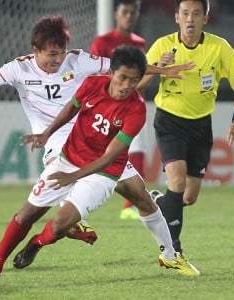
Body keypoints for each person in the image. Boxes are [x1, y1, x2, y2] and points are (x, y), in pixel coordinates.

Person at [0, 16, 193, 247]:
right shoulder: (18, 68)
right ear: (35, 50)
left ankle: (169, 252)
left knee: (138, 193)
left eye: (62, 52)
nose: (58, 59)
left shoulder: (78, 60)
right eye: (52, 54)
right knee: (60, 175)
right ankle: (68, 219)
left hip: (89, 134)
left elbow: (121, 68)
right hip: (56, 138)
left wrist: (161, 71)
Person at [0, 45, 198, 283]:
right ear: (111, 73)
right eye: (122, 78)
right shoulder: (92, 84)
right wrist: (47, 133)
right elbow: (71, 107)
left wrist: (73, 178)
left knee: (61, 225)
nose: (126, 86)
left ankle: (37, 242)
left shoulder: (136, 110)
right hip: (68, 159)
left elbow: (110, 157)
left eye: (134, 81)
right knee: (26, 214)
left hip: (103, 173)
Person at [138, 0, 234, 255]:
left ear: (205, 19)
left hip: (201, 126)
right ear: (177, 17)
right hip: (169, 121)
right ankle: (172, 250)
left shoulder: (218, 47)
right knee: (176, 181)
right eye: (185, 14)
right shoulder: (163, 46)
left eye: (196, 14)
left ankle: (157, 202)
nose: (190, 19)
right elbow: (138, 84)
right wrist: (159, 68)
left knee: (187, 197)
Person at [90, 0, 148, 221]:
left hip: (133, 106)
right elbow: (95, 75)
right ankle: (80, 200)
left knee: (138, 149)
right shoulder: (103, 42)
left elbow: (140, 80)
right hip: (109, 108)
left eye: (133, 13)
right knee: (99, 154)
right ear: (116, 14)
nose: (129, 16)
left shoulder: (140, 43)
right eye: (125, 12)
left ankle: (130, 206)